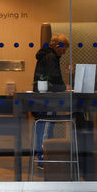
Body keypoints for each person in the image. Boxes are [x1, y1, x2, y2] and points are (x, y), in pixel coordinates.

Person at [31, 33, 69, 166]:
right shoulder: (52, 57)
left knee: (41, 126)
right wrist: (64, 87)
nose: (63, 53)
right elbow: (54, 78)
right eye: (63, 50)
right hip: (48, 99)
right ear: (58, 46)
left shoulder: (44, 55)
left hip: (40, 98)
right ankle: (43, 158)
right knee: (47, 127)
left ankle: (40, 155)